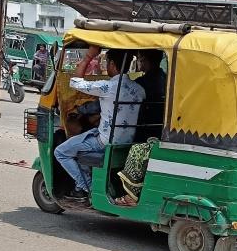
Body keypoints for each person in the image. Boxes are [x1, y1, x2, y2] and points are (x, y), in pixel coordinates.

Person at [53, 47, 145, 201]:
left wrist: (89, 56)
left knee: (61, 152)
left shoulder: (107, 87)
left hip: (104, 142)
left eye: (106, 63)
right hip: (126, 143)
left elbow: (75, 82)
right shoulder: (140, 90)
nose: (105, 66)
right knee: (83, 141)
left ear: (113, 64)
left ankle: (87, 187)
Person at [133, 49, 167, 140]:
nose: (138, 62)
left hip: (144, 129)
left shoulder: (140, 83)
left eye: (139, 59)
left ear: (145, 60)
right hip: (160, 127)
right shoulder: (166, 78)